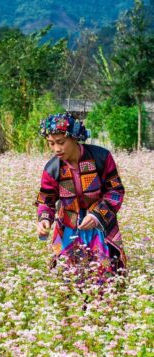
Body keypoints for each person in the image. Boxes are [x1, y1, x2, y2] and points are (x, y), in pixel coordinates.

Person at [35, 113, 126, 282]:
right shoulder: (52, 168)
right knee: (69, 276)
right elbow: (45, 200)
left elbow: (115, 191)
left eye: (61, 142)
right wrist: (44, 219)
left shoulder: (101, 157)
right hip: (69, 226)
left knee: (104, 274)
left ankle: (102, 306)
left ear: (75, 138)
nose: (56, 149)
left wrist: (97, 215)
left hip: (100, 226)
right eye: (51, 144)